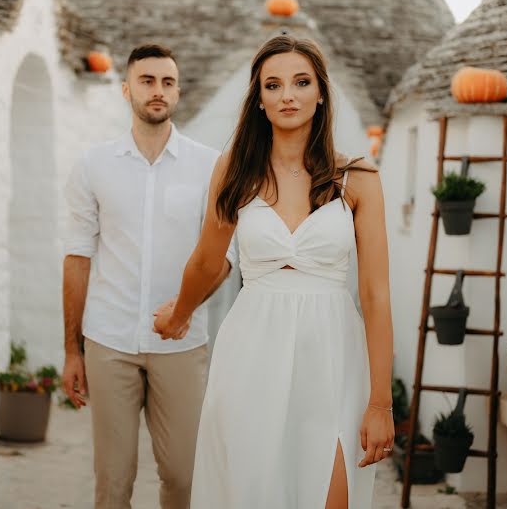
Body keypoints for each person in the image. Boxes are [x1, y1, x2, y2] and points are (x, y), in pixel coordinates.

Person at [153, 35, 394, 509]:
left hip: (333, 356)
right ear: (259, 100)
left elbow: (376, 294)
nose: (288, 95)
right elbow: (206, 259)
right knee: (252, 492)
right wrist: (180, 313)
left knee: (332, 494)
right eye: (274, 85)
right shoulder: (234, 172)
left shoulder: (359, 179)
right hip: (252, 350)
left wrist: (380, 403)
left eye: (301, 82)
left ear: (321, 93)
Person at [60, 43, 235, 509]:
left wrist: (183, 310)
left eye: (167, 82)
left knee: (184, 478)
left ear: (178, 92)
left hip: (181, 343)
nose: (158, 91)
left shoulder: (208, 166)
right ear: (126, 89)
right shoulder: (93, 165)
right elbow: (78, 257)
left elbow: (223, 256)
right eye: (147, 80)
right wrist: (71, 350)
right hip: (109, 341)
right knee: (112, 484)